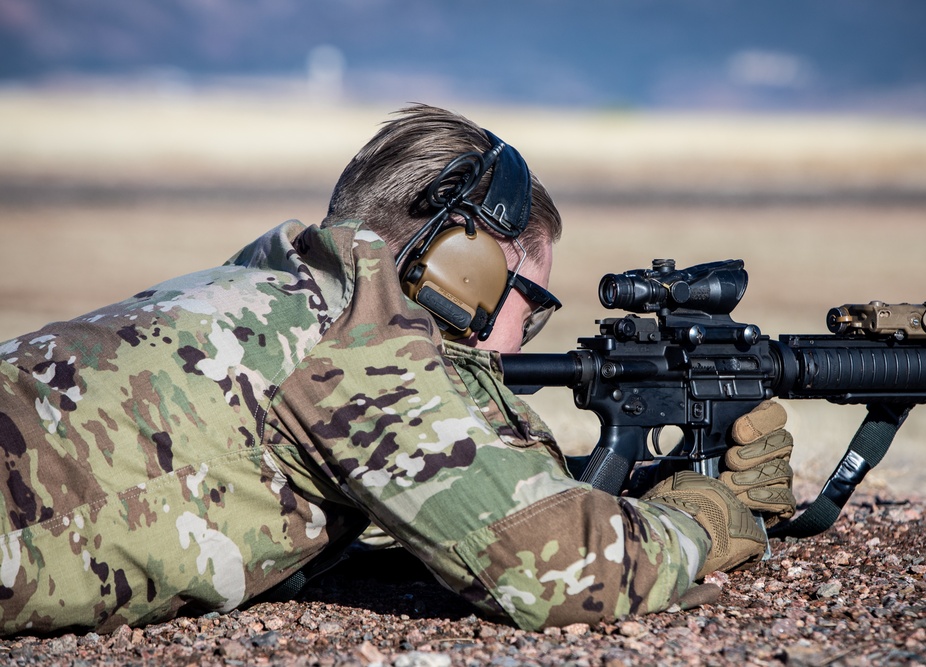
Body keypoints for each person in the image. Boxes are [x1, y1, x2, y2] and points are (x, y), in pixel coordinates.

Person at [0, 104, 795, 635]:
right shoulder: (360, 340)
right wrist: (702, 520)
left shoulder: (278, 297)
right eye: (530, 302)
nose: (525, 338)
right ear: (462, 271)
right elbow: (558, 572)